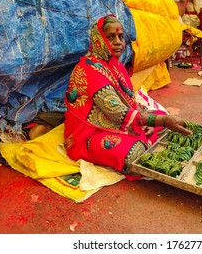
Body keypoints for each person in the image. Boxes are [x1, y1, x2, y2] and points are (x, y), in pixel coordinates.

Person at [63, 15, 192, 178]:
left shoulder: (115, 67)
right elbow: (118, 112)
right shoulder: (90, 69)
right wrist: (161, 121)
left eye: (121, 37)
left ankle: (146, 131)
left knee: (158, 118)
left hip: (116, 122)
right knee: (135, 151)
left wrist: (150, 120)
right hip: (88, 134)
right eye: (111, 37)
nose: (118, 42)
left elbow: (130, 100)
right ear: (98, 40)